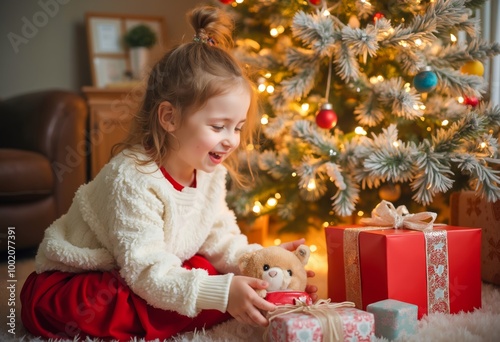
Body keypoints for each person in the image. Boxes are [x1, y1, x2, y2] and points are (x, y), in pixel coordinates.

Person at [20, 5, 317, 341]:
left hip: (138, 270)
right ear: (169, 118)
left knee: (206, 271)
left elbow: (220, 239)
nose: (231, 140)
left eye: (237, 127)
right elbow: (147, 272)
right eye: (219, 126)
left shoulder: (208, 173)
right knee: (163, 292)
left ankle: (246, 296)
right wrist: (222, 293)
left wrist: (263, 265)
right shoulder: (131, 177)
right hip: (78, 282)